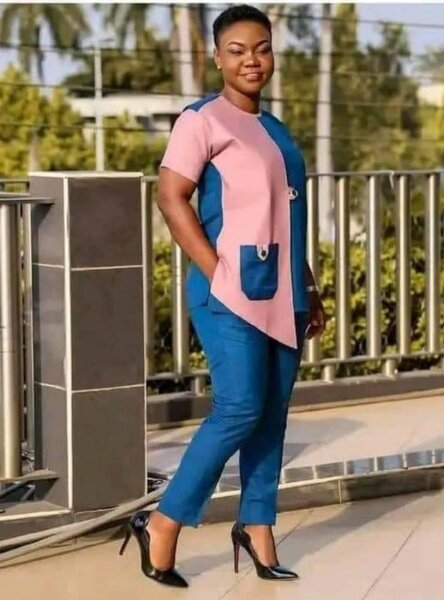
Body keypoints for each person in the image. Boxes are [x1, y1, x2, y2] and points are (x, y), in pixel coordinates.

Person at [119, 4, 325, 588]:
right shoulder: (201, 121)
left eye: (261, 48)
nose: (251, 60)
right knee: (238, 408)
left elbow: (284, 217)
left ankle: (257, 527)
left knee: (272, 413)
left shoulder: (276, 129)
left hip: (284, 291)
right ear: (217, 58)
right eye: (237, 50)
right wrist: (216, 272)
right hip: (229, 293)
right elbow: (170, 197)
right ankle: (163, 522)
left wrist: (309, 286)